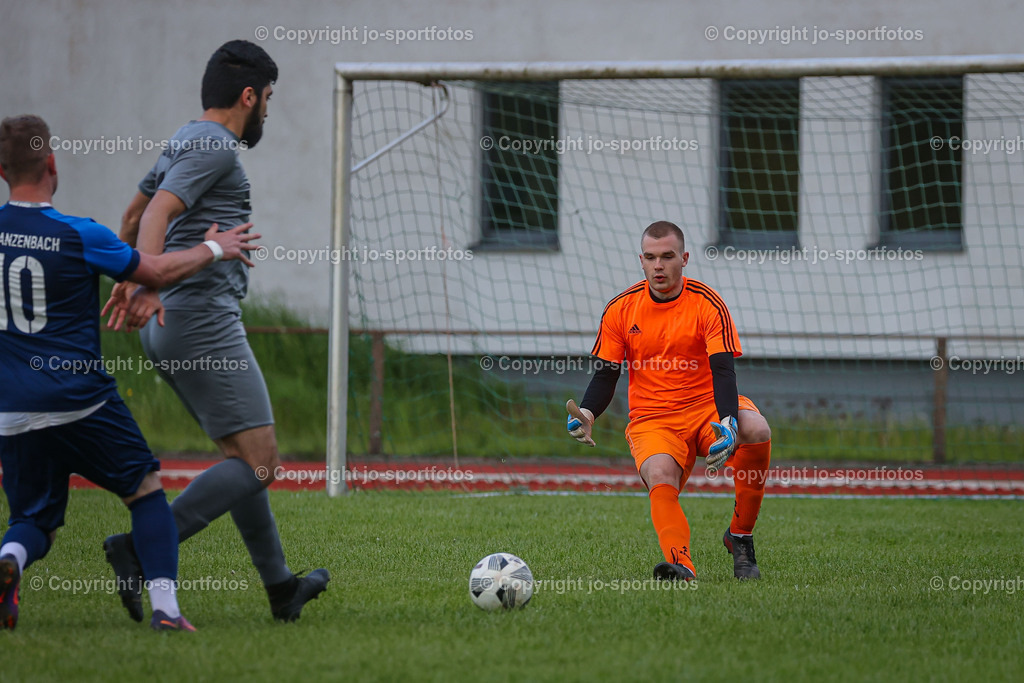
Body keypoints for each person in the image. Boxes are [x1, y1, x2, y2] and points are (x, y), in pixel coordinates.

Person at [0, 114, 260, 631]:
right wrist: (216, 246)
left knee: (33, 521)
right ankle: (167, 610)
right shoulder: (79, 234)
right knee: (144, 489)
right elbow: (155, 269)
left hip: (12, 408)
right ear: (52, 162)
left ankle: (10, 561)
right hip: (82, 402)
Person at [101, 40, 329, 622]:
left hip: (173, 324)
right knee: (260, 462)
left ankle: (281, 588)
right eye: (269, 99)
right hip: (198, 319)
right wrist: (146, 283)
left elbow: (129, 217)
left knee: (240, 458)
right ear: (248, 96)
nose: (269, 113)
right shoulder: (219, 149)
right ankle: (138, 547)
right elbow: (155, 217)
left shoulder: (183, 137)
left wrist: (130, 278)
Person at [566, 221, 772, 581]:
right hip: (653, 419)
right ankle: (682, 565)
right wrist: (586, 412)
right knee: (660, 474)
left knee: (755, 428)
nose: (658, 265)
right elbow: (605, 374)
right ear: (641, 261)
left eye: (667, 256)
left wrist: (728, 422)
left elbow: (723, 370)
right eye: (650, 257)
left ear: (684, 259)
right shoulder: (621, 308)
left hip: (707, 407)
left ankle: (740, 536)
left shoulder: (708, 303)